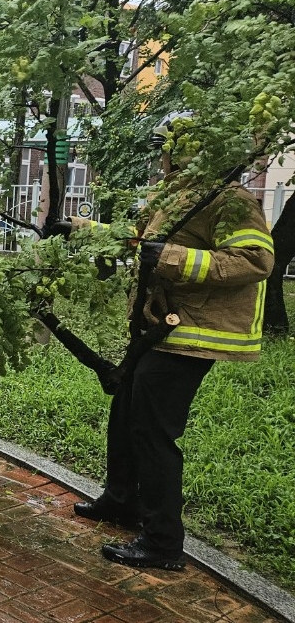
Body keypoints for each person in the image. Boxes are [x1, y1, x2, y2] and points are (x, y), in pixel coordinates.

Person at [49, 113, 274, 570]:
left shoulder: (227, 200)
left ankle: (162, 543)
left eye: (169, 146)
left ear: (190, 147)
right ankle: (121, 501)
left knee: (153, 432)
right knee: (125, 412)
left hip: (191, 332)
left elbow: (257, 259)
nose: (163, 155)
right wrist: (77, 230)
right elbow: (139, 244)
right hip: (160, 328)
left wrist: (171, 257)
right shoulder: (176, 196)